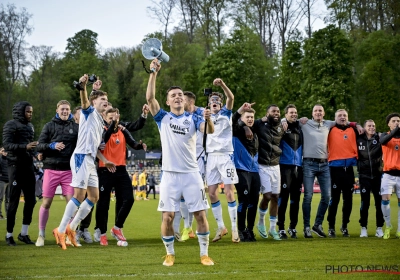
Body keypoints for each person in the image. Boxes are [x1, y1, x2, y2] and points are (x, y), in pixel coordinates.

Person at [146, 58, 215, 266]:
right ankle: (170, 253)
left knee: (201, 215)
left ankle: (204, 254)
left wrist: (209, 118)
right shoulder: (162, 118)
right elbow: (150, 98)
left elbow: (208, 130)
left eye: (180, 95)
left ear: (185, 101)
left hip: (191, 174)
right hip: (169, 175)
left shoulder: (194, 119)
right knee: (167, 216)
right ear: (167, 101)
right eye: (173, 95)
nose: (177, 97)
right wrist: (153, 73)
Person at [52, 74, 116, 250]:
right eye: (102, 99)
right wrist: (84, 88)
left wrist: (105, 160)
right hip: (80, 157)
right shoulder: (90, 112)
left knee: (94, 197)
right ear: (94, 102)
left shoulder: (100, 120)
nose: (106, 101)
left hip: (90, 160)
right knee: (79, 196)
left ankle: (72, 229)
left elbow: (94, 148)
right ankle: (61, 230)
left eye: (107, 99)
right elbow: (85, 101)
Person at [299, 105, 361, 238]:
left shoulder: (329, 124)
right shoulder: (304, 123)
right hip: (308, 163)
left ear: (324, 113)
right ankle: (306, 227)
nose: (318, 113)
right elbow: (288, 119)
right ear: (312, 113)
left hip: (324, 165)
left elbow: (343, 121)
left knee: (327, 197)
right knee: (308, 196)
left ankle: (317, 224)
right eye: (315, 111)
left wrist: (357, 125)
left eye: (320, 111)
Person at [95, 107, 146, 246]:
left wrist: (140, 146)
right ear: (105, 118)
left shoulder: (123, 130)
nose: (113, 120)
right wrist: (112, 125)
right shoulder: (102, 130)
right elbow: (103, 141)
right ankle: (102, 234)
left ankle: (117, 227)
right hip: (105, 169)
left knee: (128, 199)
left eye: (115, 118)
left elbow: (133, 143)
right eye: (110, 118)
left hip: (121, 169)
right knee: (103, 204)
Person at [34, 100, 79, 246]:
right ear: (57, 110)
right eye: (62, 109)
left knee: (72, 205)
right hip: (51, 169)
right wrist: (52, 146)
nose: (65, 111)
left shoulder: (75, 127)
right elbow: (39, 145)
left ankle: (68, 234)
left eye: (67, 109)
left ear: (70, 111)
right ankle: (41, 234)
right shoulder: (49, 126)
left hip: (68, 171)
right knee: (46, 203)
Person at [205, 79, 240, 243]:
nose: (215, 103)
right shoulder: (204, 115)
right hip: (211, 157)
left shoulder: (226, 113)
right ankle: (221, 226)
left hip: (225, 156)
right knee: (211, 193)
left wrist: (223, 85)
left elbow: (231, 98)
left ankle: (234, 228)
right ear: (209, 104)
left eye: (217, 101)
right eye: (212, 101)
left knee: (229, 192)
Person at [3, 101, 38, 246]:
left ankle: (24, 233)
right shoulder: (10, 125)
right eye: (28, 111)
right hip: (15, 166)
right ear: (20, 112)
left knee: (31, 200)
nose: (30, 114)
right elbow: (7, 145)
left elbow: (31, 146)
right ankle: (9, 235)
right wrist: (25, 147)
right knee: (14, 201)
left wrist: (37, 153)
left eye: (31, 111)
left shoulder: (30, 126)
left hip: (28, 166)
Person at [248, 105, 284, 241]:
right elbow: (247, 123)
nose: (276, 113)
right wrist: (248, 125)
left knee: (275, 197)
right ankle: (261, 222)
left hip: (276, 166)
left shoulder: (281, 126)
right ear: (267, 113)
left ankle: (273, 229)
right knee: (267, 196)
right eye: (273, 111)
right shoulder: (259, 124)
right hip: (262, 165)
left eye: (278, 111)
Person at [326, 109, 359, 237]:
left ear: (348, 117)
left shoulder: (353, 130)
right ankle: (331, 227)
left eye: (344, 115)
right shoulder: (330, 129)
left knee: (348, 200)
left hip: (349, 169)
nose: (342, 117)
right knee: (334, 200)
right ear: (335, 118)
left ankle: (344, 226)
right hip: (334, 169)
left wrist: (356, 124)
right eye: (339, 115)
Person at [232, 102, 260, 242]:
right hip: (241, 169)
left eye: (252, 117)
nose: (250, 119)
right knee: (243, 201)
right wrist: (241, 122)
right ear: (241, 118)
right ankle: (241, 230)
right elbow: (232, 121)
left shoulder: (255, 131)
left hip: (255, 171)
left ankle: (250, 229)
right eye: (247, 117)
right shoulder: (236, 130)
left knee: (254, 202)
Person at [277, 104, 303, 239]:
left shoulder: (300, 126)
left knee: (295, 200)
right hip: (284, 167)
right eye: (291, 112)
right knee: (283, 198)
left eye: (295, 112)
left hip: (298, 167)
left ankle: (292, 227)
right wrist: (281, 121)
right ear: (285, 114)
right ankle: (280, 228)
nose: (294, 114)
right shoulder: (281, 126)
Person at [357, 119, 384, 238]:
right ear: (364, 127)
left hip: (378, 176)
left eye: (373, 125)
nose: (372, 127)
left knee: (379, 203)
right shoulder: (358, 139)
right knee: (365, 203)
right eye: (369, 126)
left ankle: (379, 228)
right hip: (364, 176)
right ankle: (363, 228)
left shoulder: (379, 138)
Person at [379, 113, 400, 239]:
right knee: (385, 199)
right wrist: (396, 130)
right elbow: (383, 141)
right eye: (394, 121)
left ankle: (399, 229)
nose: (397, 122)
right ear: (389, 124)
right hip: (388, 174)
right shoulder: (385, 135)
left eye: (398, 120)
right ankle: (388, 226)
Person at [0, 147, 9, 219]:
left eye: (6, 151)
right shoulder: (0, 159)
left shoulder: (9, 160)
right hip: (2, 180)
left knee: (8, 199)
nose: (5, 152)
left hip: (9, 180)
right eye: (3, 151)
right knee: (0, 198)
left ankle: (8, 214)